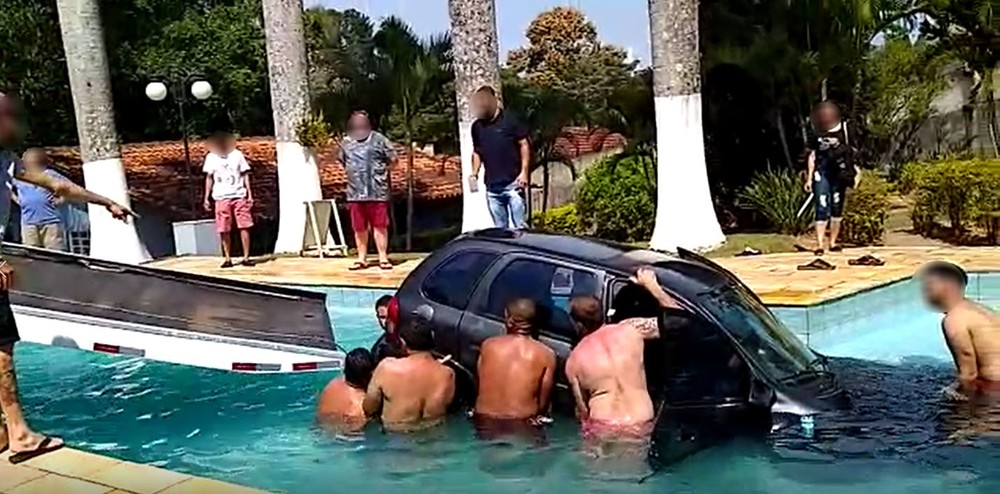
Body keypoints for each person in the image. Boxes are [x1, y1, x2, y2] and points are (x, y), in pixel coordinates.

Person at [0, 89, 134, 463]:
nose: (15, 123)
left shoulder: (9, 161)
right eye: (7, 115)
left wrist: (105, 202)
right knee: (1, 350)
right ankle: (20, 435)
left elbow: (59, 186)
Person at [565, 267, 677, 455]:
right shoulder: (632, 330)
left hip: (604, 426)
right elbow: (678, 320)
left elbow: (583, 413)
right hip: (639, 421)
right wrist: (652, 286)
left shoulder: (574, 360)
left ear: (576, 322)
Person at [473, 298, 556, 443]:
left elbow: (480, 383)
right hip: (522, 423)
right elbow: (543, 403)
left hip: (484, 420)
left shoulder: (488, 346)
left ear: (509, 319)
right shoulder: (546, 355)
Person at [920, 261, 1000, 400]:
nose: (925, 293)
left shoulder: (954, 319)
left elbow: (968, 372)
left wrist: (964, 405)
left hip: (994, 388)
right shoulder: (977, 309)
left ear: (948, 286)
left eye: (929, 287)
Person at [363, 319, 455, 432]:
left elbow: (369, 409)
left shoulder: (387, 368)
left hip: (396, 438)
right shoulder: (448, 374)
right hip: (432, 439)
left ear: (403, 342)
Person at [339, 111, 395, 271]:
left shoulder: (380, 139)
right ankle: (361, 258)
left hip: (377, 191)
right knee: (359, 228)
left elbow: (393, 160)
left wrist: (380, 174)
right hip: (355, 193)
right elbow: (342, 161)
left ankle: (383, 258)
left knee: (380, 226)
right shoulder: (346, 142)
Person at [469, 86, 530, 229]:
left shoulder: (510, 120)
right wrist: (474, 173)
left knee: (520, 227)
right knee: (500, 230)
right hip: (492, 187)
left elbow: (524, 144)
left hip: (513, 184)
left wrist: (524, 173)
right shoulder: (477, 127)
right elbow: (477, 151)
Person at [804, 101, 857, 255]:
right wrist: (809, 178)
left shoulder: (846, 130)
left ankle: (833, 242)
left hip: (839, 174)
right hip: (822, 172)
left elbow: (853, 151)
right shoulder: (815, 132)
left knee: (836, 207)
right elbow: (812, 155)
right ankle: (820, 244)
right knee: (821, 206)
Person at [202, 131, 254, 268]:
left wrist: (249, 194)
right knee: (224, 228)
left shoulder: (237, 155)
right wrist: (206, 198)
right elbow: (209, 178)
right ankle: (227, 258)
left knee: (245, 226)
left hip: (239, 194)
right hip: (221, 196)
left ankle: (246, 257)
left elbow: (245, 174)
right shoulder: (211, 158)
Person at [14, 148, 68, 251]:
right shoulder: (21, 175)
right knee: (31, 253)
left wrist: (62, 199)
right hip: (28, 222)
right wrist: (16, 199)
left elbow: (67, 187)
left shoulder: (50, 174)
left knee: (55, 252)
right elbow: (6, 187)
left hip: (51, 221)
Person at [316, 348, 376, 432]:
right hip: (348, 439)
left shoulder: (332, 385)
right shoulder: (362, 406)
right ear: (370, 374)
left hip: (320, 430)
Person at [370, 295, 404, 364]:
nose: (387, 321)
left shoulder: (412, 340)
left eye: (390, 316)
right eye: (383, 317)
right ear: (377, 317)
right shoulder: (377, 349)